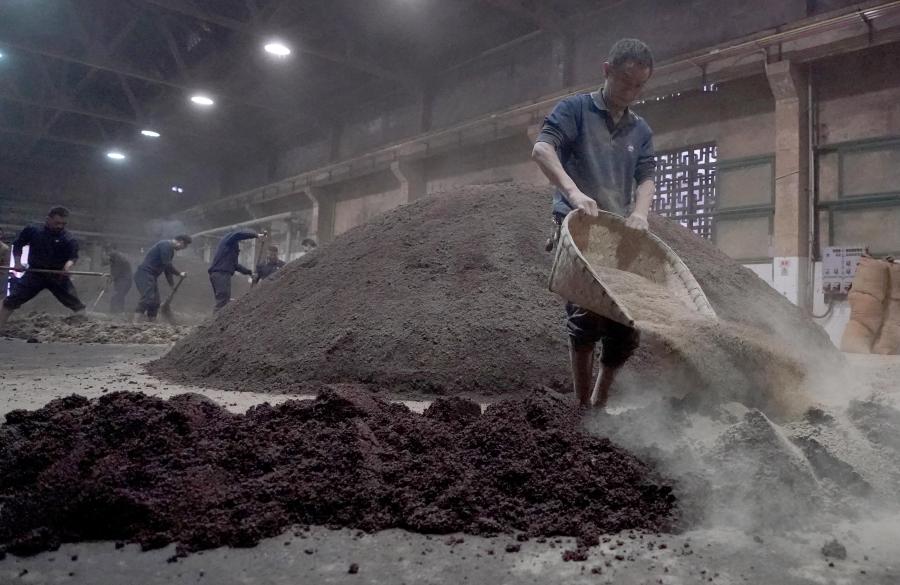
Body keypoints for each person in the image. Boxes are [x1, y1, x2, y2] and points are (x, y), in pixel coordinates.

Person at [531, 38, 657, 410]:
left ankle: (599, 403)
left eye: (639, 86)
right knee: (586, 318)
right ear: (607, 71)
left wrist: (640, 213)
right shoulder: (576, 110)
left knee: (626, 327)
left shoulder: (641, 130)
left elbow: (647, 177)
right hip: (577, 228)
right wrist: (574, 193)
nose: (631, 92)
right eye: (625, 81)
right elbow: (542, 149)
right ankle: (581, 406)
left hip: (617, 233)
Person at [0, 207, 85, 331]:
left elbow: (73, 257)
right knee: (11, 301)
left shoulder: (68, 238)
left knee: (77, 305)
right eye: (57, 223)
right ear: (48, 219)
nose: (60, 226)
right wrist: (17, 262)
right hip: (35, 273)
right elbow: (18, 245)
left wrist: (68, 266)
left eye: (63, 224)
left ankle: (84, 329)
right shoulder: (33, 231)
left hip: (57, 275)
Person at [133, 235, 192, 322]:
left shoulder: (170, 251)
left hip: (151, 276)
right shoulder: (165, 245)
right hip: (144, 273)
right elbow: (167, 265)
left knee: (156, 301)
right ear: (181, 242)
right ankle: (135, 322)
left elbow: (166, 269)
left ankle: (152, 322)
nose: (183, 249)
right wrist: (179, 273)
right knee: (148, 296)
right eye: (185, 246)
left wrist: (171, 284)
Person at [208, 229, 266, 310]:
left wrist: (249, 273)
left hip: (220, 275)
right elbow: (238, 234)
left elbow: (235, 265)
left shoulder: (230, 248)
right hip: (221, 274)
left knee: (224, 301)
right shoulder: (228, 239)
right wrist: (255, 235)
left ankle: (219, 320)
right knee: (222, 302)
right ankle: (216, 321)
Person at [102, 244, 133, 314]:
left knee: (117, 297)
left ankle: (115, 314)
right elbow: (113, 272)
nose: (107, 254)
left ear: (112, 250)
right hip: (122, 280)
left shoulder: (118, 258)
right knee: (119, 297)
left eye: (108, 252)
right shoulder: (114, 257)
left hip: (125, 280)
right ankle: (118, 313)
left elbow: (114, 274)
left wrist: (107, 285)